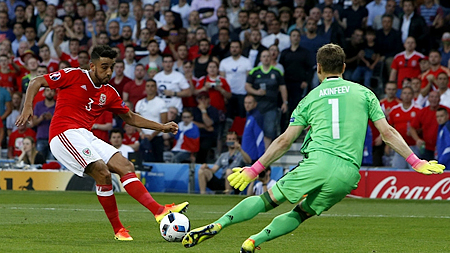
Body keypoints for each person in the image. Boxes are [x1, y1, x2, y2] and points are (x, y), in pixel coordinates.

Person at [181, 44, 445, 252]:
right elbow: (387, 133)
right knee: (302, 213)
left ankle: (220, 224)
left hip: (317, 163)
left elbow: (285, 140)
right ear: (344, 67)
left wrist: (255, 168)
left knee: (268, 201)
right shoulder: (365, 93)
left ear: (318, 68)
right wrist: (416, 162)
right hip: (348, 174)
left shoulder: (309, 99)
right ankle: (253, 241)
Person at [16, 45, 189, 241]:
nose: (108, 72)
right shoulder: (73, 75)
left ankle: (159, 211)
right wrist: (27, 107)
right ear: (92, 66)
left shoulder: (110, 92)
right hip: (62, 133)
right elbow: (37, 81)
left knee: (126, 165)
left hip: (85, 135)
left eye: (111, 67)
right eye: (104, 67)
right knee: (103, 173)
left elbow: (130, 117)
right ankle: (119, 230)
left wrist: (161, 127)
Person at [246, 50, 288, 149]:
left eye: (268, 56)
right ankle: (256, 153)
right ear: (260, 59)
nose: (266, 58)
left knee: (269, 130)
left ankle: (266, 154)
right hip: (256, 107)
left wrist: (285, 102)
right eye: (264, 56)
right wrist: (257, 92)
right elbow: (247, 86)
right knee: (255, 130)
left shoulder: (277, 72)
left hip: (271, 106)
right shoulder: (254, 71)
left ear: (271, 58)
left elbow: (283, 87)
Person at [135, 79, 168, 163]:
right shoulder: (140, 103)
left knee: (158, 161)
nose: (150, 88)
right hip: (143, 137)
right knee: (142, 161)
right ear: (145, 88)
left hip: (156, 137)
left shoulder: (161, 103)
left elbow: (163, 122)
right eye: (148, 86)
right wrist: (142, 134)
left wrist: (152, 135)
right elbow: (136, 121)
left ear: (156, 88)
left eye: (152, 86)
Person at [31, 87, 56, 160]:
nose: (50, 92)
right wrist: (41, 118)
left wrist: (51, 118)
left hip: (54, 138)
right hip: (41, 137)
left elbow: (62, 122)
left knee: (52, 162)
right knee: (39, 161)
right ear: (44, 93)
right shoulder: (38, 105)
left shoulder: (58, 105)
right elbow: (34, 123)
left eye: (52, 90)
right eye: (47, 90)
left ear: (55, 93)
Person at [241, 95, 265, 162]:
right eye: (245, 103)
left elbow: (259, 137)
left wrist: (261, 158)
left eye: (249, 103)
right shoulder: (249, 116)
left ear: (255, 104)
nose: (247, 105)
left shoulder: (256, 117)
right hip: (247, 156)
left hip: (253, 157)